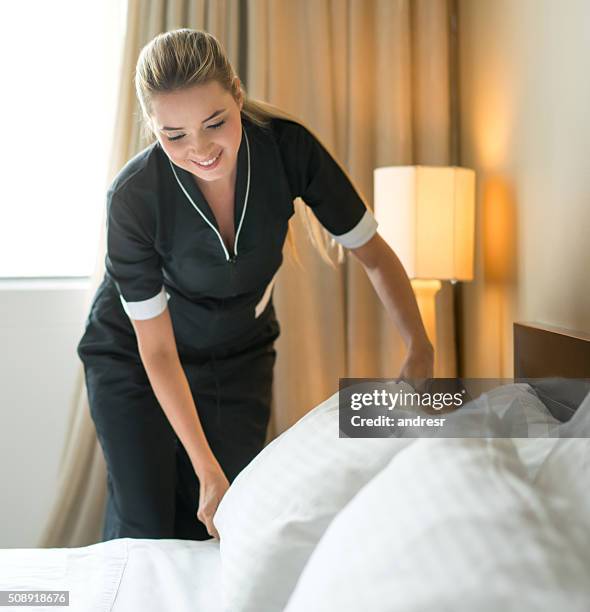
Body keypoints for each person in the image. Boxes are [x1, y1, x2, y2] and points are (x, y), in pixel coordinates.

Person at [77, 28, 434, 542]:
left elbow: (373, 255)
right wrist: (205, 467)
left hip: (237, 352)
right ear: (153, 128)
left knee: (226, 521)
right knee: (147, 524)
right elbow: (156, 351)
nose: (199, 148)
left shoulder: (287, 150)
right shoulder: (134, 197)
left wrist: (419, 347)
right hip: (135, 355)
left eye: (215, 122)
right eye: (173, 135)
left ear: (237, 97)